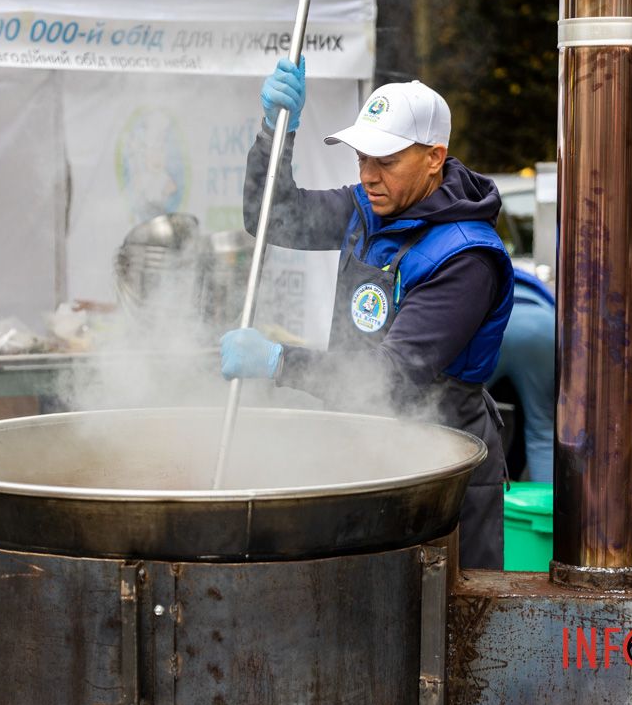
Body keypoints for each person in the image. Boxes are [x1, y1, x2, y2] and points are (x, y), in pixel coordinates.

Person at [220, 58, 514, 569]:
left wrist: (279, 361)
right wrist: (275, 132)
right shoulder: (367, 210)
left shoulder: (466, 257)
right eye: (361, 159)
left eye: (386, 161)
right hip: (363, 446)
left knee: (442, 608)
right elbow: (273, 216)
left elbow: (392, 378)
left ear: (434, 157)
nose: (368, 176)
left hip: (441, 471)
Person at [487, 268, 556, 483]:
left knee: (462, 417)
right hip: (543, 326)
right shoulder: (532, 282)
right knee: (542, 431)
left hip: (493, 325)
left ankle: (465, 496)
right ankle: (546, 501)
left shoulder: (483, 267)